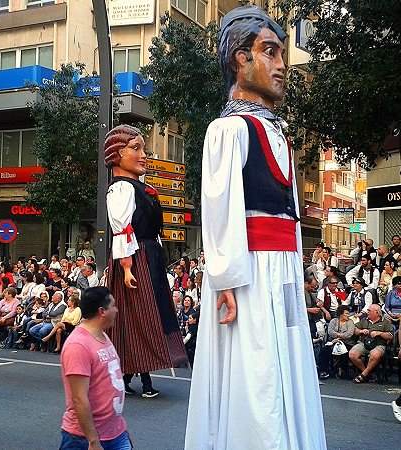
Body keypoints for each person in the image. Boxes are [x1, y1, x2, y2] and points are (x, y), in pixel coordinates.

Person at [185, 6, 326, 449]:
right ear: (239, 59)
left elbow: (290, 218)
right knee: (255, 373)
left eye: (281, 53)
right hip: (247, 275)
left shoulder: (277, 132)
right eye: (270, 51)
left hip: (280, 271)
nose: (281, 65)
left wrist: (297, 275)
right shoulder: (228, 130)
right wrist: (225, 279)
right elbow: (220, 208)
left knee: (285, 367)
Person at [104, 124, 187, 399]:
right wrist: (127, 267)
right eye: (135, 148)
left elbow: (152, 229)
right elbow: (122, 229)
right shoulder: (121, 190)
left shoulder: (142, 188)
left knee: (145, 314)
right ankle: (138, 374)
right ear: (117, 153)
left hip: (148, 255)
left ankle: (129, 373)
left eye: (144, 149)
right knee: (138, 315)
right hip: (134, 256)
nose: (143, 155)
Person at [59, 286, 131, 450]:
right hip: (84, 438)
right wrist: (93, 441)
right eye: (113, 306)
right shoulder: (78, 345)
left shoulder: (102, 335)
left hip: (116, 433)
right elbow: (79, 398)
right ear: (102, 311)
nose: (116, 310)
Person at [349, 304, 394, 383]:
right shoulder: (364, 320)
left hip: (379, 344)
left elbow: (390, 336)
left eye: (369, 311)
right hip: (364, 343)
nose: (367, 312)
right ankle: (367, 374)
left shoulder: (385, 322)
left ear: (376, 312)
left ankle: (363, 375)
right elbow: (354, 329)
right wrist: (361, 331)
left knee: (375, 354)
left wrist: (379, 333)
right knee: (352, 354)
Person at [317, 306, 355, 379]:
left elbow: (349, 334)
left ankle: (343, 371)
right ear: (341, 314)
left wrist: (338, 337)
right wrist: (338, 337)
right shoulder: (333, 321)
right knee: (324, 350)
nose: (348, 315)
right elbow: (330, 331)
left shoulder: (350, 322)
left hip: (347, 343)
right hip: (333, 342)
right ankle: (323, 371)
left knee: (345, 352)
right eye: (346, 313)